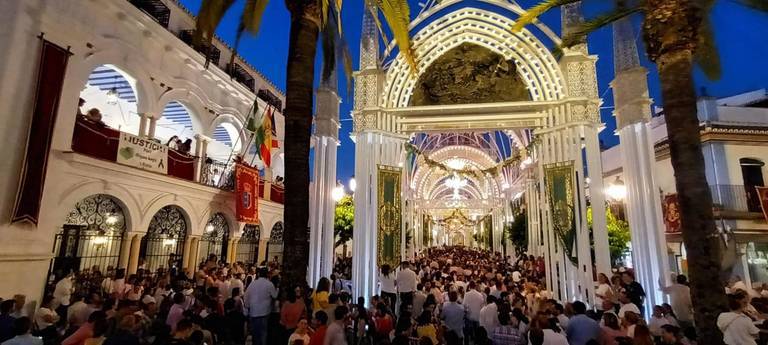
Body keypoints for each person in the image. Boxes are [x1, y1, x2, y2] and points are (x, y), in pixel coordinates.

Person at [244, 267, 278, 345]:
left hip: (253, 312)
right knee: (263, 334)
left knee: (255, 334)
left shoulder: (253, 283)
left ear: (259, 274)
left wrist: (248, 306)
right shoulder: (269, 284)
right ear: (267, 274)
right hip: (264, 312)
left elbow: (246, 296)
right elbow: (275, 295)